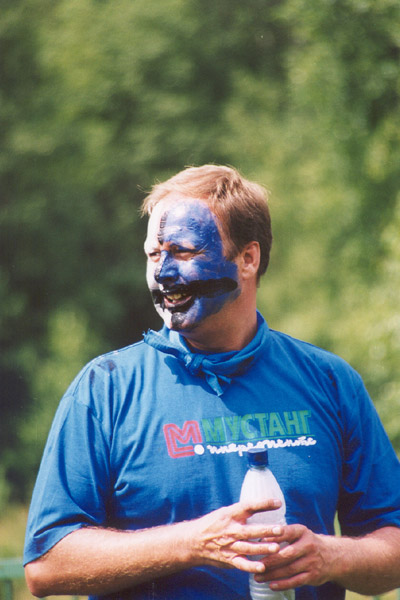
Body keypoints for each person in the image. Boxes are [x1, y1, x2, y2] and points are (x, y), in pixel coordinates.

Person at [24, 165, 400, 600]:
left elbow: (392, 545)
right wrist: (192, 543)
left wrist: (331, 557)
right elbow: (46, 564)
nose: (163, 273)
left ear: (248, 259)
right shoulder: (104, 389)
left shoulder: (330, 382)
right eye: (153, 255)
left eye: (182, 251)